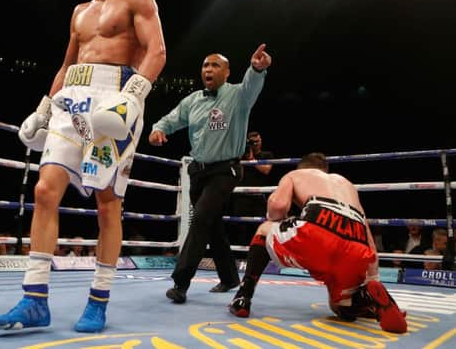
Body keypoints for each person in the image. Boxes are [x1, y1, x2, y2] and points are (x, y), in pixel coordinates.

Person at [0, 0, 165, 333]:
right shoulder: (79, 12)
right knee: (44, 190)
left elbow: (157, 51)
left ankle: (98, 300)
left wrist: (133, 98)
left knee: (107, 204)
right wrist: (43, 109)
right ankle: (34, 299)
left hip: (113, 97)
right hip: (72, 98)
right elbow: (67, 65)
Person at [228, 153, 407, 334]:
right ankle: (366, 298)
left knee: (265, 229)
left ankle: (243, 297)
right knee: (339, 307)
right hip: (356, 244)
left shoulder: (295, 175)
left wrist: (278, 219)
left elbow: (278, 207)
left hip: (319, 229)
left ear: (302, 167)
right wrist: (372, 279)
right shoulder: (346, 185)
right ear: (325, 170)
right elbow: (368, 239)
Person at [149, 45, 272, 303]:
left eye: (215, 65)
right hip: (199, 171)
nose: (209, 69)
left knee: (201, 218)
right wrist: (158, 130)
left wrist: (257, 69)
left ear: (227, 73)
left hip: (225, 170)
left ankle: (180, 282)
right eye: (206, 65)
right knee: (212, 225)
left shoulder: (238, 96)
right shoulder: (193, 100)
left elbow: (252, 85)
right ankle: (229, 277)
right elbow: (170, 120)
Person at [231, 131, 274, 246]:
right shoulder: (240, 156)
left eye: (257, 141)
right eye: (253, 142)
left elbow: (266, 170)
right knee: (240, 228)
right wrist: (241, 157)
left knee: (259, 227)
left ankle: (257, 253)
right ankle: (240, 257)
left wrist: (251, 159)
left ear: (261, 141)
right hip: (241, 197)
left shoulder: (267, 155)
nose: (256, 144)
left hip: (258, 196)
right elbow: (236, 173)